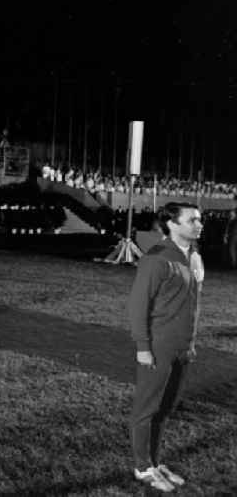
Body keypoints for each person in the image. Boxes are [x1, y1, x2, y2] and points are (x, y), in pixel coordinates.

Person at [127, 202, 203, 492]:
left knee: (165, 409)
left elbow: (191, 305)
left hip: (183, 349)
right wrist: (143, 347)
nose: (199, 224)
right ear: (172, 224)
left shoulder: (193, 256)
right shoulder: (156, 259)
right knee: (146, 409)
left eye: (200, 220)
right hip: (158, 346)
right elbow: (137, 306)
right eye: (192, 220)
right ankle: (142, 467)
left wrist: (190, 345)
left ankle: (154, 462)